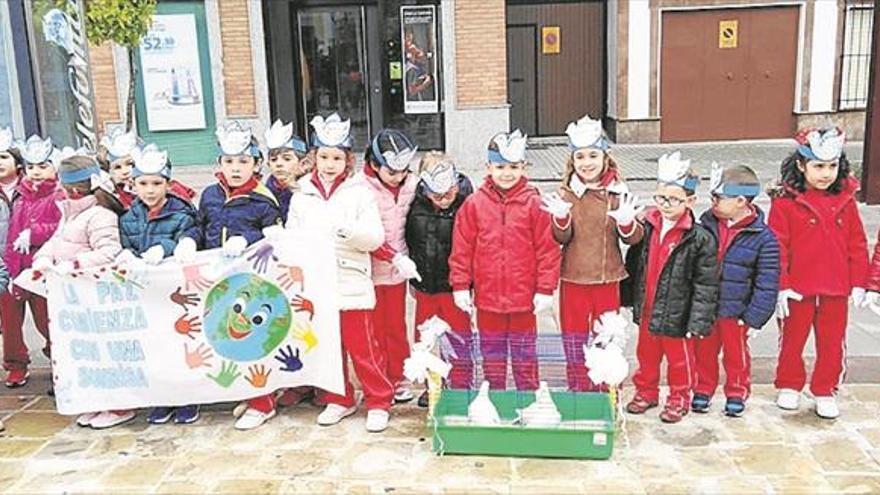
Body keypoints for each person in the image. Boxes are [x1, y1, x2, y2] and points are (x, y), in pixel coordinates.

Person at [285, 113, 394, 432]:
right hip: (318, 283)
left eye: (336, 158)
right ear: (314, 158)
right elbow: (295, 235)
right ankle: (340, 398)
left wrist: (349, 232)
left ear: (347, 160)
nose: (329, 164)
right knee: (328, 348)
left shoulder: (360, 192)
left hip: (350, 280)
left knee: (363, 347)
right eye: (323, 157)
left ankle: (379, 400)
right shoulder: (302, 194)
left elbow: (375, 238)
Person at [174, 120, 284, 429]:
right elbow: (200, 224)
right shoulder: (210, 194)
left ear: (256, 164)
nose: (236, 168)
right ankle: (246, 394)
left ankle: (263, 402)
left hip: (250, 283)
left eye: (243, 162)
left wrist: (247, 240)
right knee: (224, 337)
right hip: (217, 279)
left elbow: (274, 240)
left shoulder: (263, 199)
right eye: (229, 161)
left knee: (252, 341)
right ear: (220, 163)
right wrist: (188, 240)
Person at [448, 130, 561, 391]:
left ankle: (528, 399)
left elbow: (548, 250)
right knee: (492, 355)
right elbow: (462, 248)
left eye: (513, 167)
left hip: (523, 301)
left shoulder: (535, 204)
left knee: (525, 356)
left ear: (523, 167)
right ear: (488, 167)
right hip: (487, 300)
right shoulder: (474, 204)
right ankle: (495, 398)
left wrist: (545, 289)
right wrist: (460, 285)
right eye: (500, 167)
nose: (506, 173)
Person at [768, 126, 868, 419]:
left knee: (832, 342)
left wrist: (860, 283)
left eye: (832, 166)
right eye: (818, 166)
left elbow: (857, 244)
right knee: (792, 339)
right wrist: (781, 285)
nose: (826, 173)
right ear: (801, 165)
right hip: (798, 287)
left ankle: (825, 389)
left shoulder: (846, 201)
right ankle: (789, 384)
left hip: (836, 287)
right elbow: (778, 248)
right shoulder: (784, 203)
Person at [543, 114, 644, 392]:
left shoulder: (617, 192)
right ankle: (578, 388)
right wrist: (561, 219)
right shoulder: (566, 194)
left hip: (606, 278)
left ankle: (607, 390)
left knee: (608, 336)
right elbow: (560, 237)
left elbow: (634, 238)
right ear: (572, 161)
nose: (586, 163)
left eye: (592, 156)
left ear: (605, 158)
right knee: (574, 338)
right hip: (573, 278)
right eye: (580, 157)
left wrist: (626, 221)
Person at [622, 151, 719, 423]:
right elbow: (634, 263)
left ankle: (679, 397)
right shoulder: (648, 226)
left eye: (674, 199)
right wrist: (628, 296)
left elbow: (706, 284)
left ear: (690, 201)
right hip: (649, 307)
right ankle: (646, 392)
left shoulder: (700, 238)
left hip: (678, 313)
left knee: (680, 361)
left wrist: (698, 320)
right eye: (661, 197)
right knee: (646, 357)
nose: (665, 204)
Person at [33, 154, 126, 428]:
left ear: (73, 188)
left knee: (106, 351)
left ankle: (119, 405)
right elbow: (57, 241)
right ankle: (97, 401)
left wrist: (74, 265)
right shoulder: (71, 213)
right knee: (88, 354)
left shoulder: (99, 214)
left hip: (94, 292)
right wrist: (43, 260)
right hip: (74, 297)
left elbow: (109, 252)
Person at [118, 144, 198, 424]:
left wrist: (167, 247)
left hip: (175, 294)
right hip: (145, 294)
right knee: (154, 347)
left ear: (168, 183)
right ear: (134, 184)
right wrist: (126, 254)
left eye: (156, 183)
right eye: (143, 183)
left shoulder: (182, 212)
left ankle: (187, 398)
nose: (150, 190)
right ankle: (162, 398)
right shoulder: (127, 218)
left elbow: (188, 236)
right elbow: (126, 244)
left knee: (179, 345)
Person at [692, 164, 780, 417]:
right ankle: (702, 389)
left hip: (737, 310)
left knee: (736, 355)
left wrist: (755, 316)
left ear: (741, 201)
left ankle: (736, 392)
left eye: (718, 198)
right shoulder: (706, 227)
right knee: (704, 352)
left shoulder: (764, 238)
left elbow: (767, 281)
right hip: (709, 306)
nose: (713, 203)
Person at [405, 151, 474, 406]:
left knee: (459, 337)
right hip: (424, 286)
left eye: (448, 192)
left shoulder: (467, 203)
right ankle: (432, 384)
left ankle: (462, 384)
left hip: (453, 286)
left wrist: (467, 283)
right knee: (425, 339)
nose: (444, 199)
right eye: (437, 194)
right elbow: (408, 238)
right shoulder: (414, 203)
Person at [362, 128, 421, 403]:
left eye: (403, 171)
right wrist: (390, 255)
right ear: (375, 165)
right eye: (392, 172)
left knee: (395, 327)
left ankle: (398, 377)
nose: (399, 178)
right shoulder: (359, 189)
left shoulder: (411, 184)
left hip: (399, 271)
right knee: (372, 328)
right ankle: (378, 378)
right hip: (368, 271)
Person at [1, 135, 63, 388]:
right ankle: (16, 365)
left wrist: (34, 232)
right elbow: (14, 231)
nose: (36, 173)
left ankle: (58, 357)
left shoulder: (59, 192)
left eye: (42, 166)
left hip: (43, 267)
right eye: (32, 167)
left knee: (46, 318)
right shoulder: (25, 193)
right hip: (12, 265)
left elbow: (62, 226)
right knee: (10, 320)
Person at [264, 119, 311, 220]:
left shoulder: (313, 191)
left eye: (287, 159)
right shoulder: (263, 194)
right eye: (274, 160)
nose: (279, 164)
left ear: (303, 164)